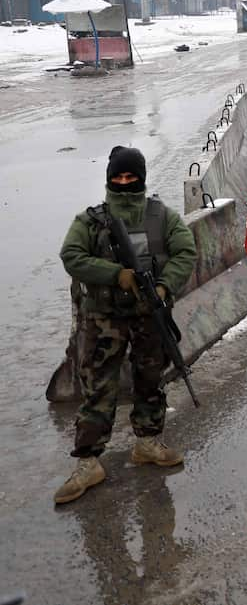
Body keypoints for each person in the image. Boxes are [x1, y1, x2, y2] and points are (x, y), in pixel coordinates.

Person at [54, 146, 197, 504]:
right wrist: (116, 274)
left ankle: (147, 443)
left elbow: (185, 252)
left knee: (151, 380)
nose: (123, 183)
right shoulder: (90, 221)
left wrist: (163, 287)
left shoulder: (161, 216)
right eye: (117, 177)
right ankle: (88, 463)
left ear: (141, 178)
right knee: (98, 389)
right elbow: (71, 256)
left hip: (150, 314)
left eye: (130, 177)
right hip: (103, 319)